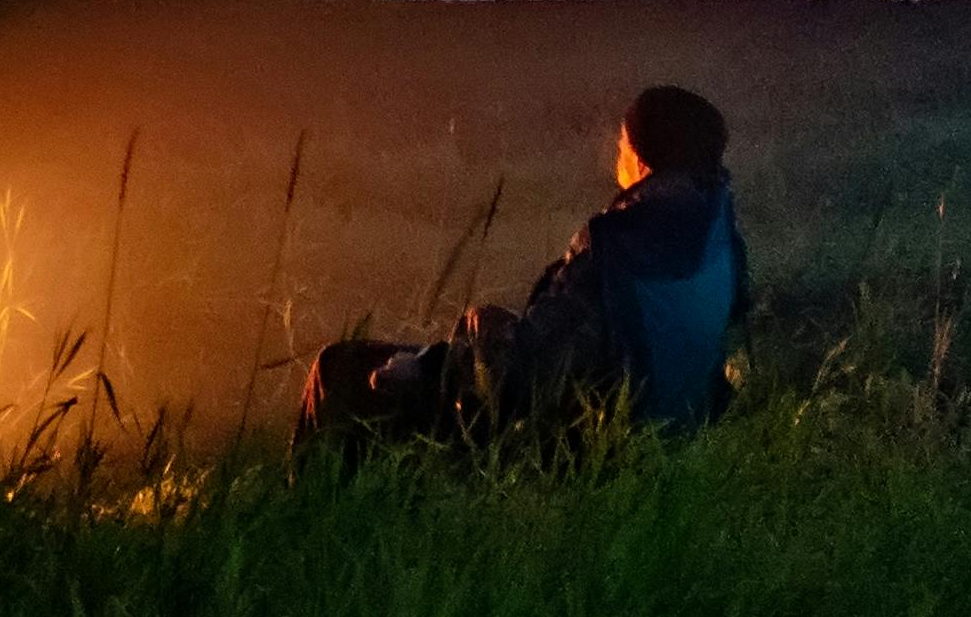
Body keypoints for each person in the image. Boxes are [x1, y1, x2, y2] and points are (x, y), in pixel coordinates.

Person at [306, 84, 746, 448]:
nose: (616, 153)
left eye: (621, 142)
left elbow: (529, 375)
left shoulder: (618, 245)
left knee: (339, 367)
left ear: (641, 157)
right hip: (674, 435)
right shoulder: (715, 237)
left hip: (581, 445)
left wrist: (432, 364)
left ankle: (315, 524)